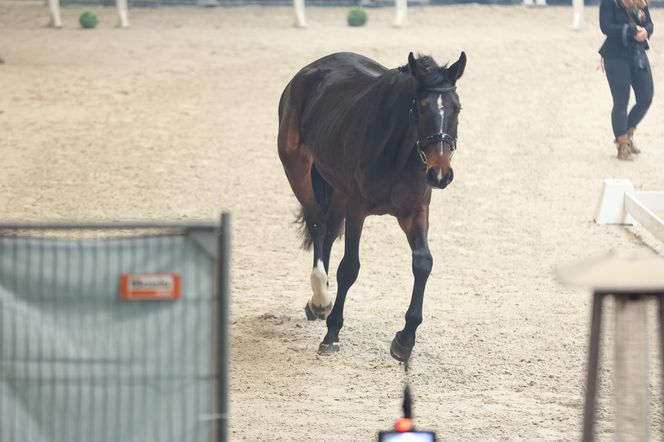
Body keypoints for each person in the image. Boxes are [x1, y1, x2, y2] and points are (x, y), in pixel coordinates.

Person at [599, 0, 654, 160]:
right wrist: (631, 30)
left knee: (646, 97)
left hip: (637, 54)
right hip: (616, 56)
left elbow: (649, 23)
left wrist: (646, 31)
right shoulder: (609, 3)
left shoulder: (640, 2)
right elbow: (606, 27)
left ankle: (628, 132)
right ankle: (622, 142)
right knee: (621, 101)